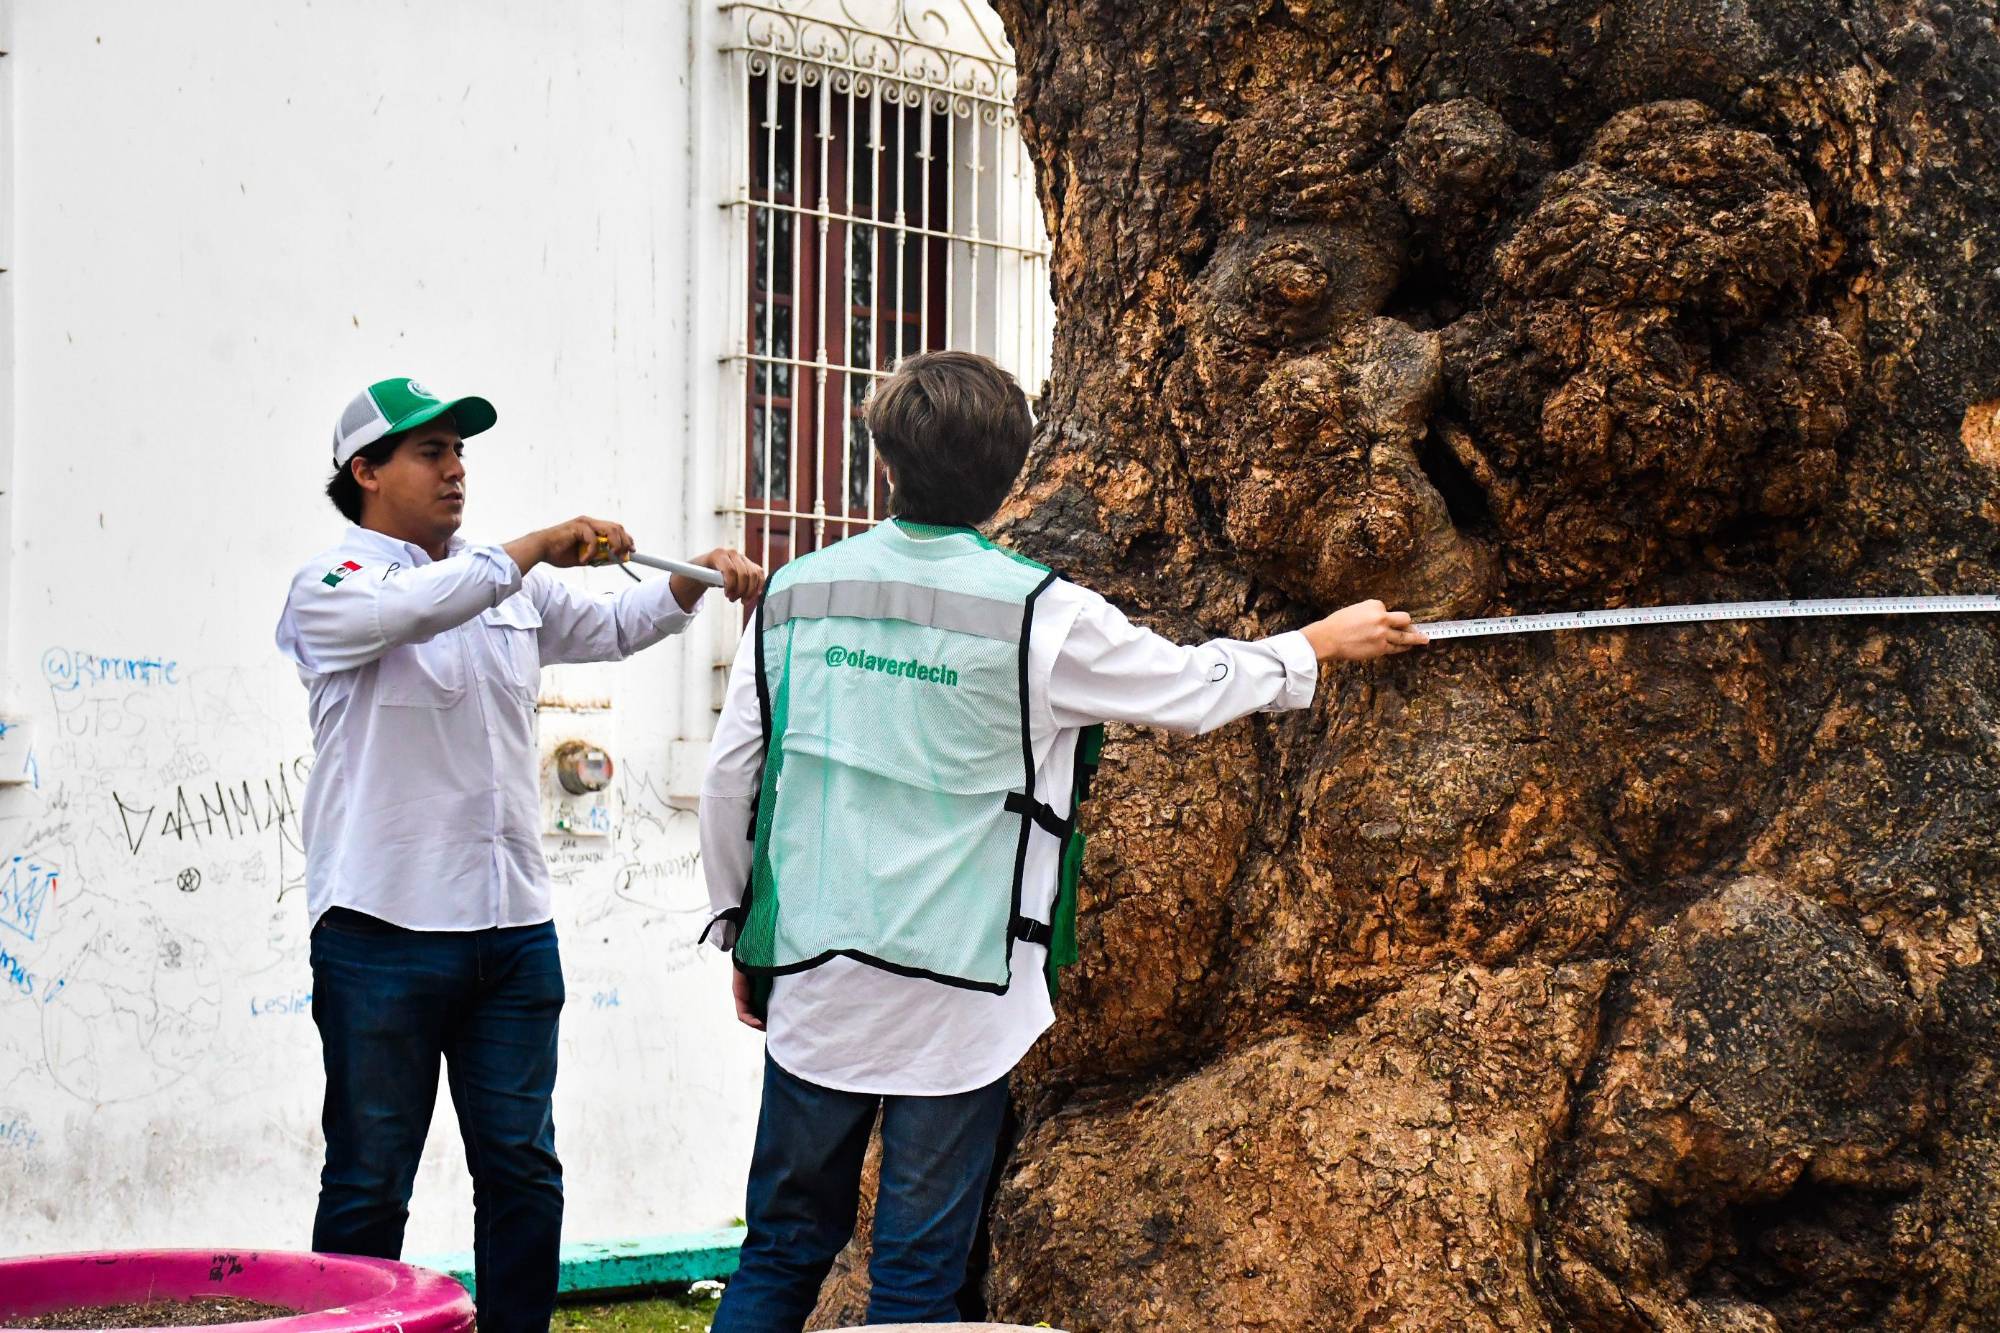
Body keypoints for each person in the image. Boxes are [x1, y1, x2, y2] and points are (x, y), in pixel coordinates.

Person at [698, 351, 1426, 1329]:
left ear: (884, 463)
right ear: (1010, 474)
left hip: (817, 975)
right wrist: (1317, 644)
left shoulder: (793, 596)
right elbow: (1189, 687)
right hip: (962, 998)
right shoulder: (1043, 613)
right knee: (916, 1282)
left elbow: (730, 777)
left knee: (781, 1253)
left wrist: (738, 926)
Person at [275, 376, 763, 1333]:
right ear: (365, 471)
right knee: (369, 1182)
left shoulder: (506, 583)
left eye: (461, 452)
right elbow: (411, 611)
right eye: (431, 453)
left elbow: (617, 626)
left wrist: (689, 579)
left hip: (510, 932)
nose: (457, 470)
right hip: (381, 933)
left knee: (523, 1175)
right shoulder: (331, 587)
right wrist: (537, 544)